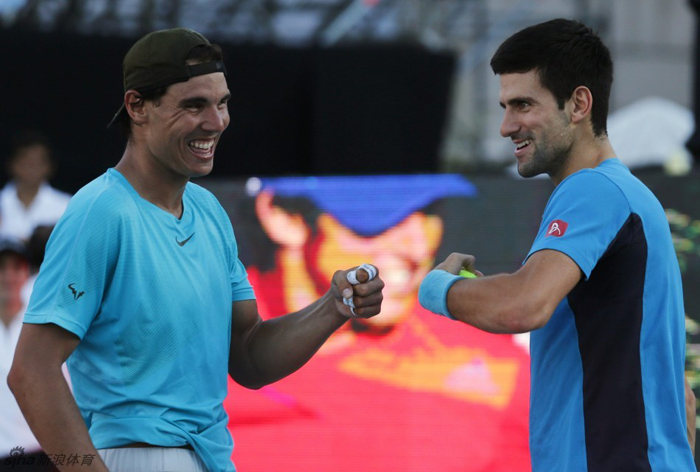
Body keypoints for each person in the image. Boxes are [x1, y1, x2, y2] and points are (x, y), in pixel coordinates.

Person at [8, 27, 384, 472]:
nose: (217, 121)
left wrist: (334, 307)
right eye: (194, 105)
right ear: (137, 106)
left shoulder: (208, 212)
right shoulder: (100, 212)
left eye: (222, 103)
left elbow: (247, 356)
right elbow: (31, 373)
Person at [418, 19, 696, 471]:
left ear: (579, 104)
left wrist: (437, 288)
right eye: (506, 106)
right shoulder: (630, 196)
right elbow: (681, 400)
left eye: (524, 105)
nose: (507, 126)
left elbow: (522, 305)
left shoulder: (591, 190)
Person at [225, 175, 531, 471]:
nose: (417, 247)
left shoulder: (497, 365)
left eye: (428, 212)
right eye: (378, 219)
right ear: (283, 217)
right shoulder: (204, 339)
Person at [0, 237, 57, 472]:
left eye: (17, 268)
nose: (8, 277)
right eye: (1, 269)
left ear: (26, 273)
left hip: (40, 453)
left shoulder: (43, 319)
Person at [0, 130, 71, 242]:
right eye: (26, 163)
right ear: (12, 164)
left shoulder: (66, 205)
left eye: (38, 163)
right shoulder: (2, 201)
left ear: (49, 167)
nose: (32, 169)